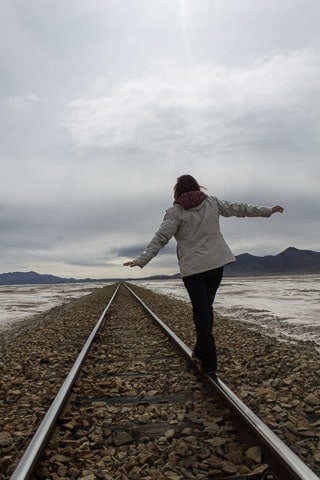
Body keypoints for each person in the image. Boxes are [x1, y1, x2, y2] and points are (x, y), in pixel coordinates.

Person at [124, 174, 284, 375]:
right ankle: (201, 352)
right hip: (215, 264)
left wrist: (141, 260)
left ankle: (209, 363)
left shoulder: (176, 212)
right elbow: (240, 209)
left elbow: (161, 237)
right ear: (197, 187)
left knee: (201, 310)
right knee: (206, 309)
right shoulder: (212, 203)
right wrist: (267, 211)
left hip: (193, 269)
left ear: (177, 191)